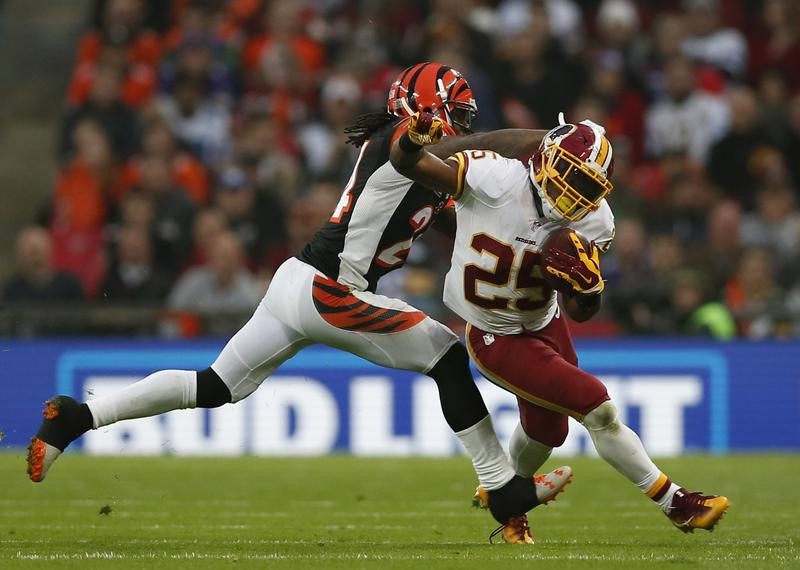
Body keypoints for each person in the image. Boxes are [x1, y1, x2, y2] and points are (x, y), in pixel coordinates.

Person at [27, 62, 570, 542]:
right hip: (332, 291)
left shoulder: (411, 157)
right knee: (447, 355)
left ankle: (76, 417)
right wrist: (546, 140)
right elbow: (471, 150)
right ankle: (502, 489)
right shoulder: (398, 144)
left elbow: (459, 214)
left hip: (299, 283)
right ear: (422, 110)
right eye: (456, 114)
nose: (465, 127)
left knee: (215, 386)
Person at [389, 109, 731, 542]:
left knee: (548, 430)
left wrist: (588, 291)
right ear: (544, 157)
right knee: (598, 407)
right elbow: (410, 165)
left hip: (545, 320)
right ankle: (675, 502)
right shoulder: (494, 178)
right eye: (571, 174)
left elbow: (582, 310)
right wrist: (408, 143)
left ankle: (506, 499)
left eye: (588, 186)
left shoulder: (595, 221)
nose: (575, 192)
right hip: (496, 333)